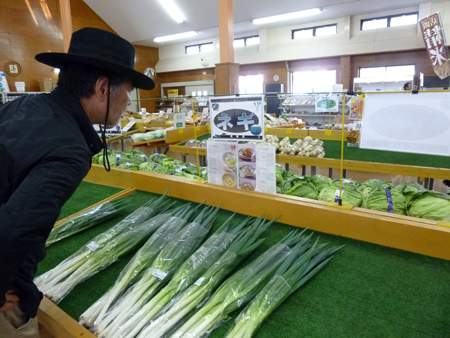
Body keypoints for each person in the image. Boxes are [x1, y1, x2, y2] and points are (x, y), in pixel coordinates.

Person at [0, 27, 154, 338]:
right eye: (127, 90)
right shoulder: (69, 147)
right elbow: (14, 229)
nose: (127, 100)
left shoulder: (21, 106)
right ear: (101, 88)